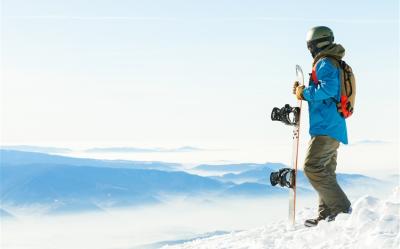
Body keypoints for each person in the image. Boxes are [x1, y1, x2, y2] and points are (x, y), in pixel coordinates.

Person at [293, 26, 352, 227]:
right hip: (332, 126)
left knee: (312, 167)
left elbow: (328, 89)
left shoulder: (325, 62)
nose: (309, 49)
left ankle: (343, 210)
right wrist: (304, 91)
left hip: (326, 128)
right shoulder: (331, 61)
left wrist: (304, 93)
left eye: (310, 45)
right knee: (325, 170)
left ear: (316, 44)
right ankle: (326, 215)